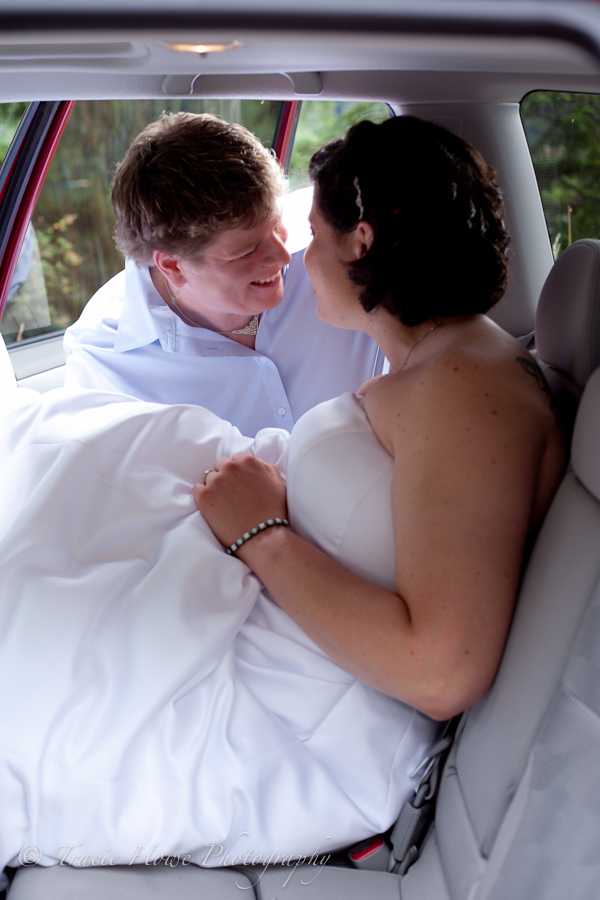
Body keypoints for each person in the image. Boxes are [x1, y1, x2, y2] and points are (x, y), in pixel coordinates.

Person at [0, 117, 564, 876]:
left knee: (41, 681)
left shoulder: (465, 390)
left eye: (309, 235)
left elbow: (441, 672)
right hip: (284, 604)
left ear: (361, 243)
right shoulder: (442, 366)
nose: (296, 258)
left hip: (307, 700)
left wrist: (261, 536)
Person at [63, 112, 382, 436]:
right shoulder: (103, 362)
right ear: (173, 266)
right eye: (247, 251)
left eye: (277, 225)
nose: (284, 255)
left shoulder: (343, 240)